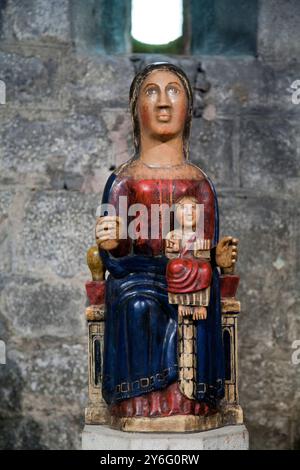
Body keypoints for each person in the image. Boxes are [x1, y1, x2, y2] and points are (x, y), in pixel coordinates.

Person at [95, 62, 238, 419]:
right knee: (137, 305)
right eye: (152, 92)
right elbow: (112, 262)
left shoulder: (198, 182)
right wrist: (111, 245)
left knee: (200, 297)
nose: (163, 103)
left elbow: (207, 247)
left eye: (173, 91)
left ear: (187, 108)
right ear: (136, 108)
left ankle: (194, 401)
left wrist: (216, 258)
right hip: (137, 277)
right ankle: (138, 402)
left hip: (188, 273)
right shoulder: (122, 181)